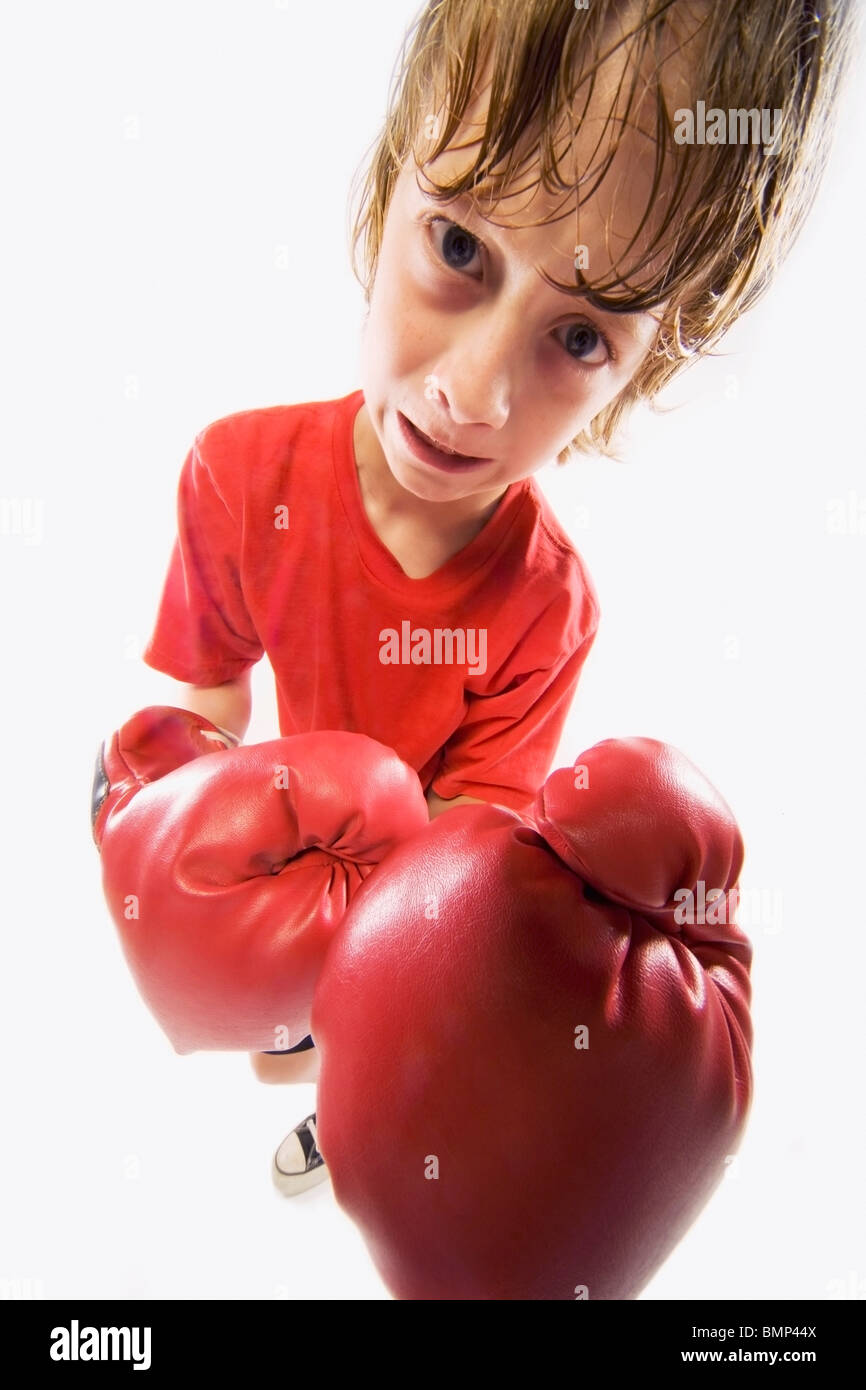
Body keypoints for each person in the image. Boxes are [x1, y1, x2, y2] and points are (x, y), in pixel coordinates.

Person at [138, 0, 854, 1194]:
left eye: (577, 336)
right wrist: (204, 900)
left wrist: (363, 987)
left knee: (419, 1050)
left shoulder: (546, 606)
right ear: (383, 192)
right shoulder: (235, 476)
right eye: (460, 247)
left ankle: (351, 1115)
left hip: (404, 898)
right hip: (283, 859)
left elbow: (464, 848)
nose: (471, 395)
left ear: (640, 371)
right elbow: (195, 725)